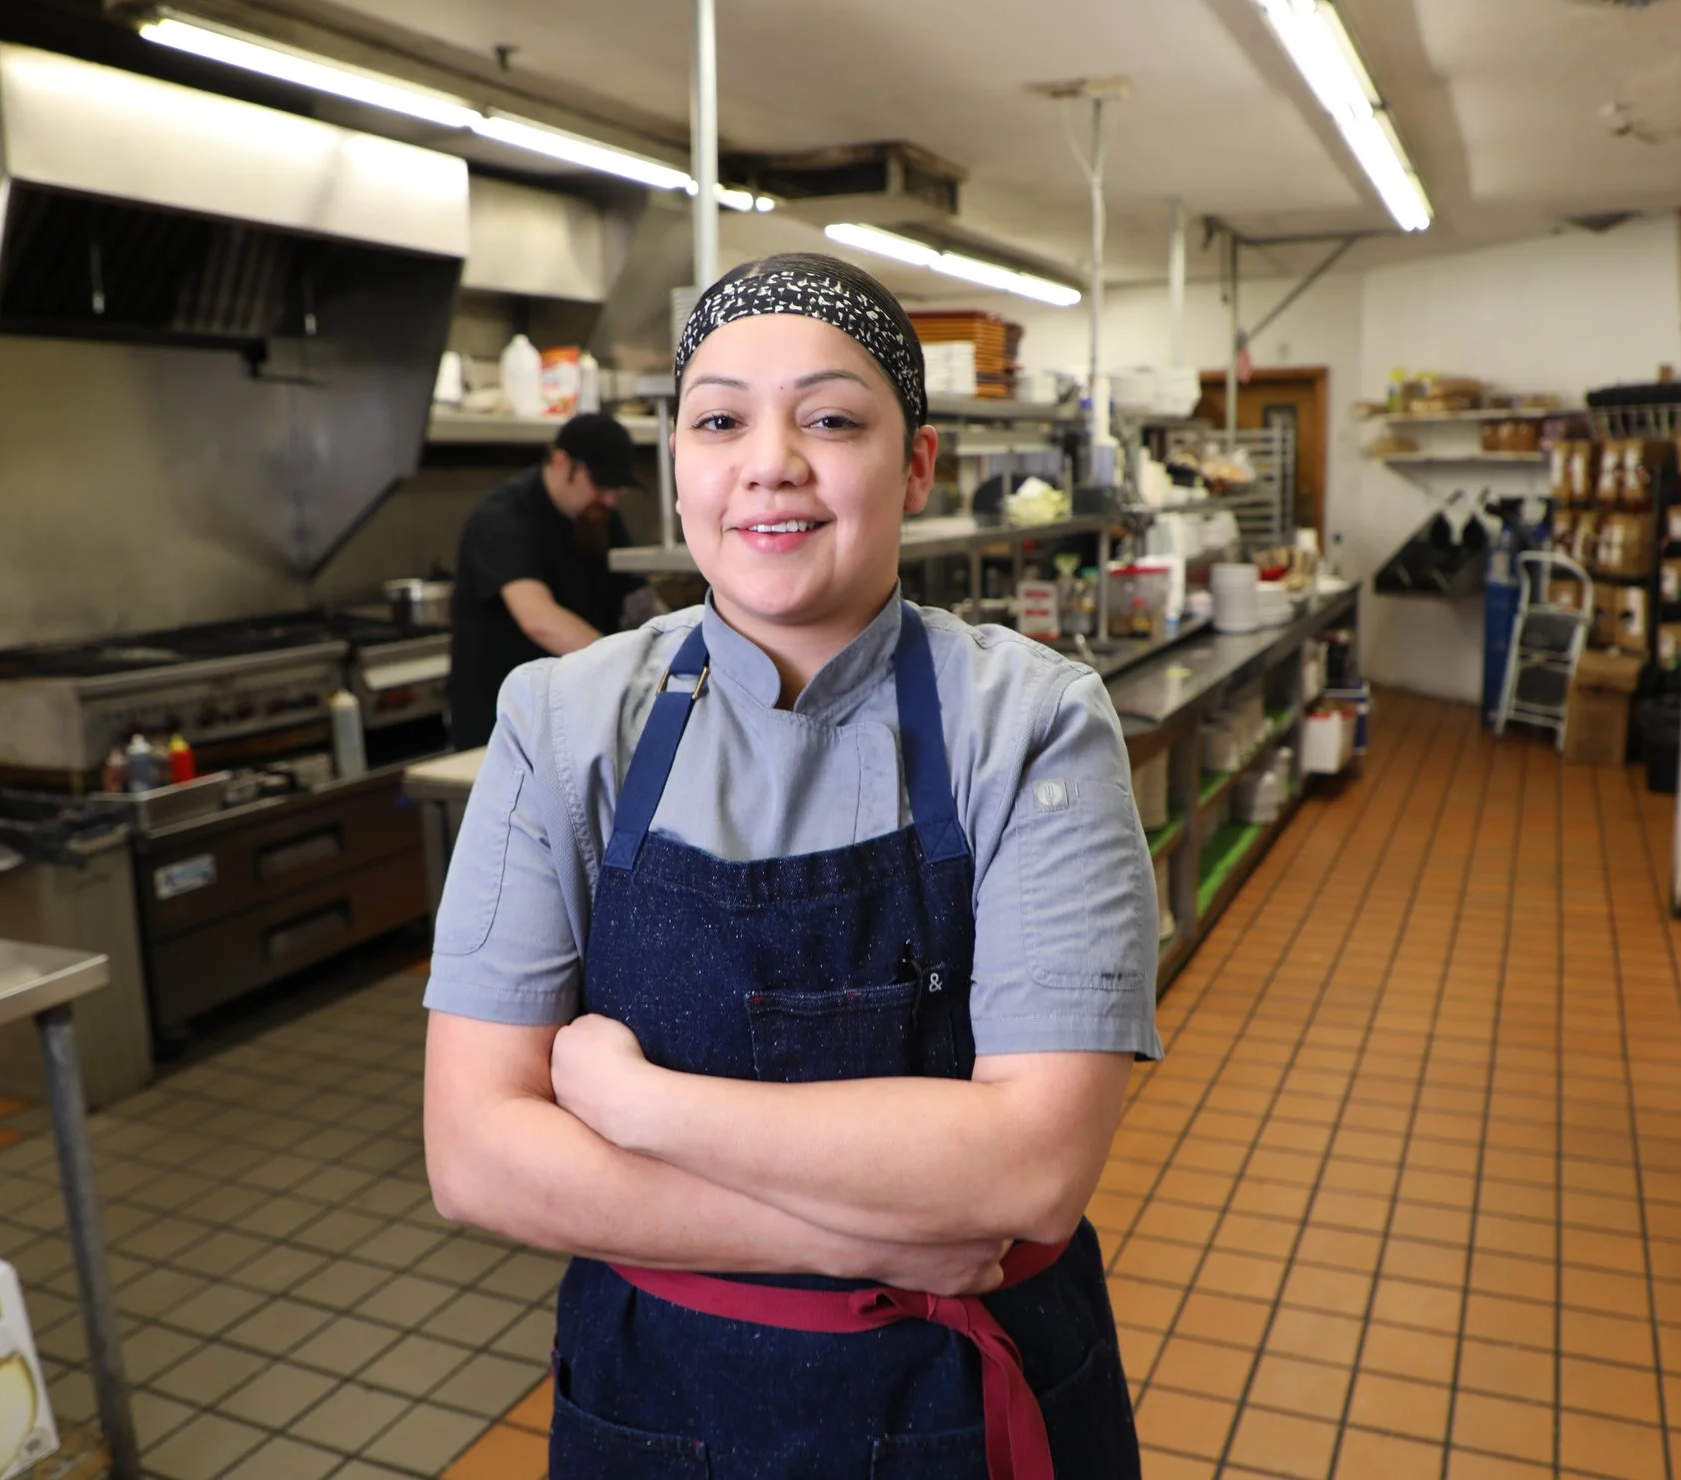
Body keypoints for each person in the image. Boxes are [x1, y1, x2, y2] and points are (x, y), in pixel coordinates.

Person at [422, 253, 1157, 1479]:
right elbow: (476, 1153)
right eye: (718, 419)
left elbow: (1031, 1170)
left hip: (970, 1392)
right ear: (679, 464)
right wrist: (872, 1235)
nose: (770, 459)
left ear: (916, 464)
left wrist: (638, 1105)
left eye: (830, 417)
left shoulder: (1030, 722)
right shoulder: (560, 718)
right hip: (658, 1397)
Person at [446, 412, 652, 752]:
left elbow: (637, 598)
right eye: (601, 485)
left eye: (618, 489)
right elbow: (538, 619)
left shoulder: (600, 519)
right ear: (561, 462)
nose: (611, 499)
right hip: (504, 728)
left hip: (572, 720)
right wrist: (634, 670)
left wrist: (675, 649)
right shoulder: (502, 517)